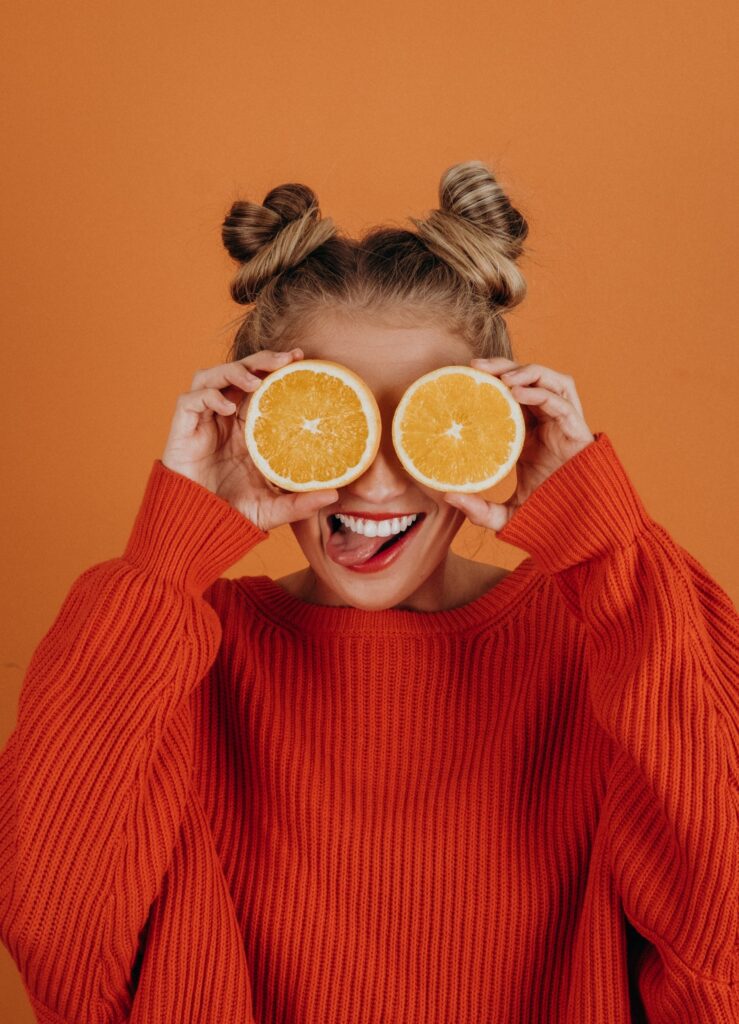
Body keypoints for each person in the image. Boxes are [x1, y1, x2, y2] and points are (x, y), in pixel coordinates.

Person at [0, 161, 736, 1024]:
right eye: (329, 420)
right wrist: (167, 555)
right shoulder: (179, 654)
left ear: (498, 426)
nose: (379, 485)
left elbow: (718, 949)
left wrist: (606, 546)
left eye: (427, 422)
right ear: (254, 426)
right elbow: (56, 941)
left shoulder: (611, 636)